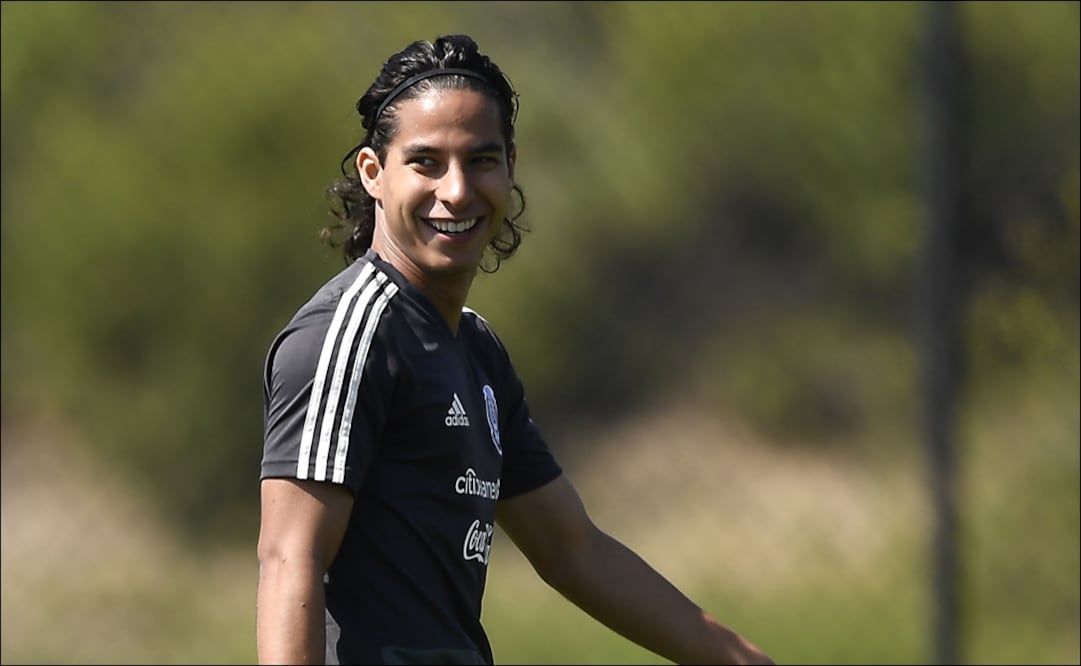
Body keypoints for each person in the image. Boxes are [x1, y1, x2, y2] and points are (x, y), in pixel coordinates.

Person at [257, 33, 774, 666]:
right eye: (426, 162)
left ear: (510, 168)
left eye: (480, 160)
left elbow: (573, 550)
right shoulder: (349, 336)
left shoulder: (475, 349)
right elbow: (290, 557)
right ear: (374, 173)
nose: (456, 190)